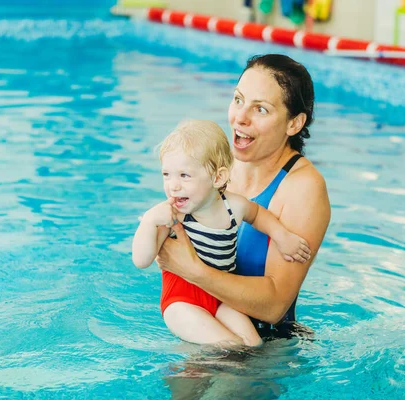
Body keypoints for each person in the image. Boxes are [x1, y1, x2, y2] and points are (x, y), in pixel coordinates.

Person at [156, 54, 331, 339]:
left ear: (294, 124)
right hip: (203, 322)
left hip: (264, 350)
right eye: (238, 100)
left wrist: (193, 270)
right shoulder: (221, 169)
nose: (240, 118)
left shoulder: (303, 187)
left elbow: (275, 305)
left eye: (260, 109)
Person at [132, 119, 312, 346]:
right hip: (181, 301)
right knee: (229, 345)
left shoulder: (233, 207)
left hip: (220, 297)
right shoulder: (173, 215)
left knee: (252, 344)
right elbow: (141, 260)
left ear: (218, 178)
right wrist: (148, 223)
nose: (173, 186)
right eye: (167, 174)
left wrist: (282, 237)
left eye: (184, 175)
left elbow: (257, 215)